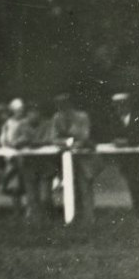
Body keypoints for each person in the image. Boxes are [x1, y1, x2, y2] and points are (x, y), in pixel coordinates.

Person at [47, 92, 96, 223]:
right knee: (68, 186)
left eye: (64, 104)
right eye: (59, 105)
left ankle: (89, 218)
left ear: (70, 104)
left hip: (82, 157)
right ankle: (73, 216)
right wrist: (66, 144)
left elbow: (84, 135)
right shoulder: (56, 118)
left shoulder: (82, 117)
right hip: (65, 158)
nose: (62, 107)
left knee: (85, 187)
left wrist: (74, 143)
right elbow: (53, 137)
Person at [111, 92, 139, 221]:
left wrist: (127, 142)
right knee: (133, 186)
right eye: (116, 106)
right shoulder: (114, 120)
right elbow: (111, 136)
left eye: (122, 105)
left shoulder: (138, 117)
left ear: (128, 105)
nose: (120, 108)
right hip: (127, 161)